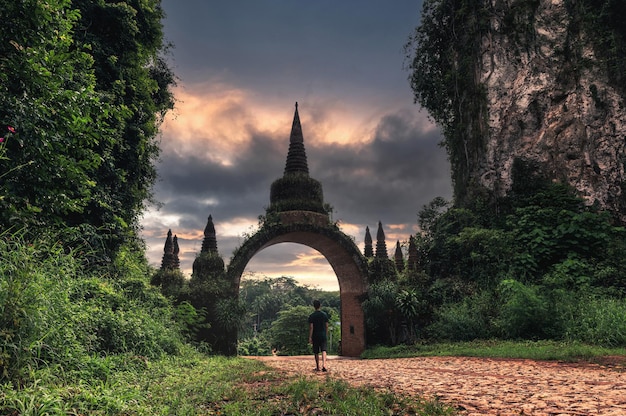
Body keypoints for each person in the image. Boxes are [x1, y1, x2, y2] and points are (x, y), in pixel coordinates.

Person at [308, 299, 329, 372]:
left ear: (314, 306)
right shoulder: (324, 315)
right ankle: (324, 365)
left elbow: (311, 327)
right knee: (324, 350)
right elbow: (326, 326)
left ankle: (317, 367)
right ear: (320, 305)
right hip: (323, 335)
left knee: (316, 351)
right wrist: (326, 334)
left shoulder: (312, 316)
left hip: (315, 335)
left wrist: (310, 337)